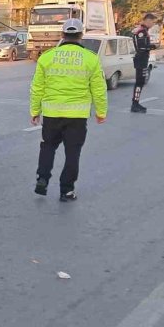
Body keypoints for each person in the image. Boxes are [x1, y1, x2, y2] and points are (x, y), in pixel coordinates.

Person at [30, 19, 108, 202]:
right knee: (72, 153)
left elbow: (37, 87)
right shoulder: (91, 58)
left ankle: (42, 179)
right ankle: (67, 190)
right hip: (77, 116)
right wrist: (101, 112)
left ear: (62, 35)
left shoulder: (47, 57)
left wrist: (35, 111)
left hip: (51, 114)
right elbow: (99, 88)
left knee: (47, 147)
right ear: (81, 36)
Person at [130, 13, 158, 113]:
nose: (153, 24)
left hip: (143, 58)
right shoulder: (141, 31)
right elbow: (140, 47)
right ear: (148, 20)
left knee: (141, 82)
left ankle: (136, 103)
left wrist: (150, 46)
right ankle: (135, 104)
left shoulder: (143, 30)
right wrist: (151, 47)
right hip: (141, 58)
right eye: (153, 22)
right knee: (139, 82)